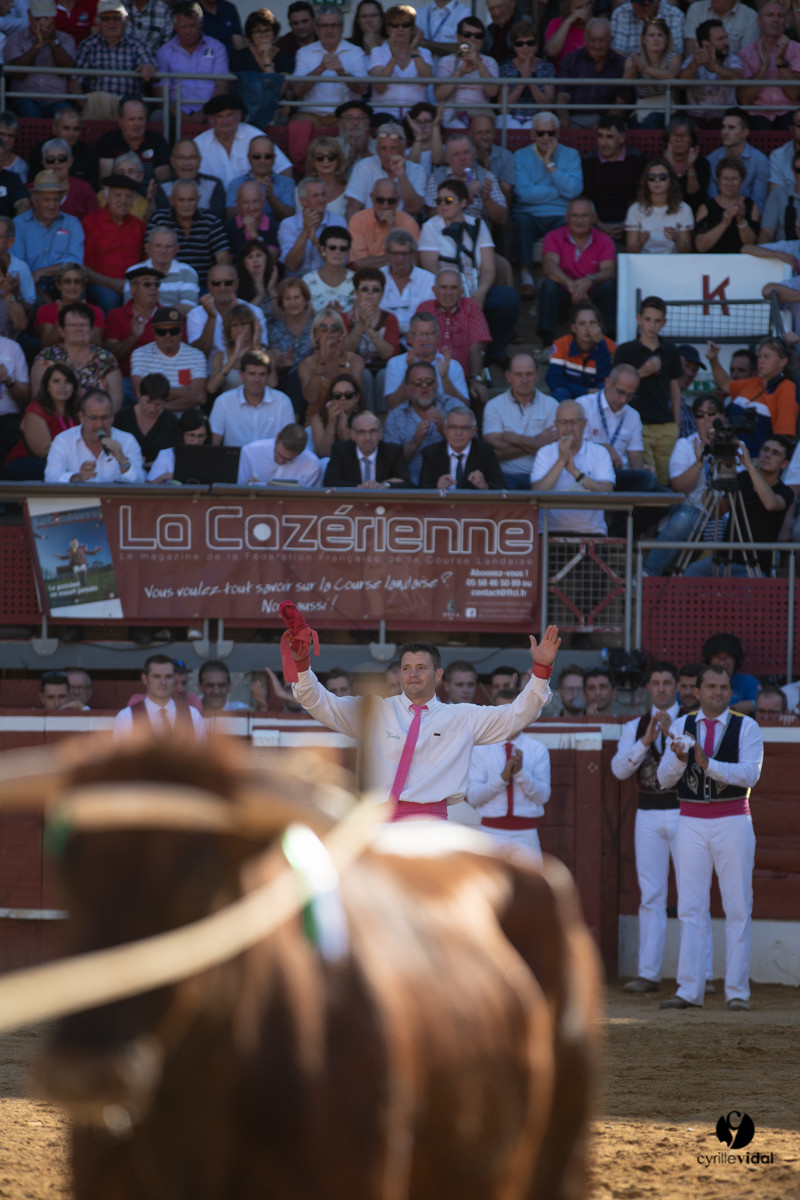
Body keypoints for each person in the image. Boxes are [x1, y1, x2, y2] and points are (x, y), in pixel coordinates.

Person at [289, 624, 561, 820]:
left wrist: (541, 672)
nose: (413, 674)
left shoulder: (462, 716)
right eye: (407, 668)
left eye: (421, 668)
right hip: (375, 818)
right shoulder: (374, 710)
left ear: (438, 674)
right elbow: (320, 702)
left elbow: (515, 716)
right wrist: (301, 665)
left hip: (430, 822)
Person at [657, 664, 762, 1011]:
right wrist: (678, 760)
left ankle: (737, 991)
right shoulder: (680, 725)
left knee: (738, 907)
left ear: (731, 692)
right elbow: (664, 779)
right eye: (711, 687)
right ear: (698, 691)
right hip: (690, 820)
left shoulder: (747, 726)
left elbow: (750, 774)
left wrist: (706, 763)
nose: (718, 692)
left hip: (733, 819)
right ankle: (690, 989)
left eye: (723, 688)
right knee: (690, 908)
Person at [612, 660, 715, 994]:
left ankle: (703, 973)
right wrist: (645, 740)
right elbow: (619, 770)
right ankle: (648, 973)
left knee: (693, 894)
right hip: (648, 814)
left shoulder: (692, 721)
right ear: (648, 687)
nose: (661, 689)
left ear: (678, 687)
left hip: (687, 813)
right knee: (651, 894)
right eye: (655, 683)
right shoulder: (635, 726)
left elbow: (704, 765)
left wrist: (672, 733)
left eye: (667, 683)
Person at [418, 178, 519, 368]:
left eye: (448, 200)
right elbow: (431, 268)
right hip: (447, 291)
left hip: (475, 286)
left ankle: (496, 351)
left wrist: (480, 293)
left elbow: (488, 268)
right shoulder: (430, 227)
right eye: (438, 201)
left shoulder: (478, 225)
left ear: (464, 202)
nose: (442, 205)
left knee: (508, 298)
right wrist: (456, 293)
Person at [641, 394, 727, 577]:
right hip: (693, 510)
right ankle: (647, 574)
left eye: (712, 413)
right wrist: (699, 462)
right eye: (700, 415)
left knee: (735, 524)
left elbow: (740, 489)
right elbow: (679, 486)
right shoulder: (685, 444)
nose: (706, 419)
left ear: (723, 416)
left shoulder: (735, 446)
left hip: (725, 511)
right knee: (683, 518)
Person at [613, 295, 682, 486]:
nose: (652, 325)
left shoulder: (671, 350)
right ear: (639, 319)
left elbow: (674, 387)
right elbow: (616, 387)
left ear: (664, 323)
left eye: (657, 321)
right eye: (648, 319)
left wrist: (676, 423)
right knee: (647, 481)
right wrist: (642, 371)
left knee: (666, 481)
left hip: (665, 424)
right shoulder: (625, 351)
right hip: (637, 423)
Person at [513, 112, 583, 300]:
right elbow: (523, 194)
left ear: (558, 133)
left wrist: (550, 165)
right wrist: (559, 189)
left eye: (550, 133)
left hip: (560, 214)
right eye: (541, 133)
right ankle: (526, 275)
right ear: (532, 134)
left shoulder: (571, 154)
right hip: (530, 214)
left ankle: (561, 275)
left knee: (573, 223)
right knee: (520, 221)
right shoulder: (520, 156)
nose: (546, 137)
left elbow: (574, 191)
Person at [577, 363, 665, 498]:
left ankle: (622, 510)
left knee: (663, 491)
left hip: (617, 474)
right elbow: (574, 447)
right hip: (588, 472)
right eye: (620, 392)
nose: (624, 400)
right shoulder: (584, 406)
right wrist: (603, 449)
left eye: (630, 396)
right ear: (607, 383)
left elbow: (636, 460)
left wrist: (644, 470)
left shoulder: (633, 415)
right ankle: (622, 510)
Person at [530, 398, 615, 536]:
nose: (569, 428)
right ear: (556, 425)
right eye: (563, 422)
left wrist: (575, 472)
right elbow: (537, 492)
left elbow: (607, 491)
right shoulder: (545, 453)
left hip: (591, 532)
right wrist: (561, 462)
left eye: (574, 422)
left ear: (584, 423)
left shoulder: (599, 452)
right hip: (548, 532)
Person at [539, 198, 617, 347]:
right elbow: (549, 266)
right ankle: (547, 344)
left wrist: (589, 280)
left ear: (593, 217)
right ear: (567, 217)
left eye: (584, 215)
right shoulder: (553, 237)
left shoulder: (604, 240)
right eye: (574, 215)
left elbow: (609, 271)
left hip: (592, 298)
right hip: (564, 296)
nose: (579, 220)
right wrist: (570, 283)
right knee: (549, 286)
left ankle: (608, 342)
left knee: (608, 287)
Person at [415, 268, 490, 407]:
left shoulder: (471, 307)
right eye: (443, 287)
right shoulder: (424, 308)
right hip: (428, 379)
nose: (448, 293)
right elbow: (416, 344)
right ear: (434, 290)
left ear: (461, 291)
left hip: (464, 379)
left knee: (478, 393)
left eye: (453, 288)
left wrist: (476, 379)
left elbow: (477, 346)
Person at [706, 336, 798, 450]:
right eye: (760, 356)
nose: (761, 361)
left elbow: (783, 437)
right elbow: (725, 384)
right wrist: (714, 360)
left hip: (758, 458)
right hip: (732, 453)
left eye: (767, 357)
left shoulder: (786, 388)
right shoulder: (753, 382)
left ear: (782, 361)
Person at [483, 353, 559, 490]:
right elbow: (493, 451)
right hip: (505, 476)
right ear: (508, 376)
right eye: (518, 374)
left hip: (542, 476)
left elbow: (552, 450)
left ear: (537, 375)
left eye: (529, 374)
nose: (524, 380)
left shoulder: (552, 405)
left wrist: (516, 439)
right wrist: (538, 441)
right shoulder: (494, 406)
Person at [31, 302, 123, 412]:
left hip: (97, 418)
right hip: (55, 419)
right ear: (62, 331)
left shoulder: (106, 358)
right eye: (72, 325)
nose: (79, 329)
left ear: (92, 330)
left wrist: (98, 418)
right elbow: (38, 398)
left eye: (84, 325)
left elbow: (116, 399)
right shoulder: (47, 357)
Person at [382, 360, 463, 484]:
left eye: (429, 382)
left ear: (437, 385)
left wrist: (445, 430)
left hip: (451, 482)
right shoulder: (396, 416)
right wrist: (415, 443)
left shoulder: (454, 407)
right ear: (408, 389)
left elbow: (473, 451)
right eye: (418, 383)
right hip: (410, 486)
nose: (424, 386)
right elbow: (389, 463)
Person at [44, 388, 144, 483]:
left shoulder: (127, 441)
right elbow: (50, 477)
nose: (99, 425)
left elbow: (141, 482)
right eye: (93, 418)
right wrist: (78, 477)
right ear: (81, 417)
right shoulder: (63, 440)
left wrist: (123, 461)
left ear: (112, 416)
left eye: (104, 418)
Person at [1, 362, 78, 481]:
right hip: (26, 465)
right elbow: (43, 452)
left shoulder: (77, 413)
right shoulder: (36, 410)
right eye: (56, 381)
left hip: (64, 464)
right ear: (47, 386)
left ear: (73, 387)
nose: (62, 386)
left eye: (67, 382)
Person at [72, 0, 155, 109]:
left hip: (130, 108)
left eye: (116, 18)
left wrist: (148, 68)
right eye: (105, 19)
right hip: (97, 107)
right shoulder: (88, 46)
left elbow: (149, 65)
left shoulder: (137, 45)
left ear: (125, 21)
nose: (111, 23)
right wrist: (86, 108)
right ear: (98, 23)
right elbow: (75, 82)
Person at [146, 180, 231, 285]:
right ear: (171, 200)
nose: (186, 205)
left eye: (191, 200)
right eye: (181, 200)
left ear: (198, 199)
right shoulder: (159, 220)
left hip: (203, 285)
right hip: (165, 284)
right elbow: (148, 254)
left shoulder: (211, 221)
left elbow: (222, 258)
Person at [13, 170, 84, 296]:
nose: (52, 205)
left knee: (77, 293)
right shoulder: (19, 224)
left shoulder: (72, 223)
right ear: (35, 201)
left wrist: (42, 272)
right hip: (30, 283)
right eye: (46, 200)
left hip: (65, 283)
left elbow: (75, 262)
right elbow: (17, 265)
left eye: (55, 200)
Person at [5, 0, 77, 119]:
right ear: (29, 16)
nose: (42, 23)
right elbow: (18, 73)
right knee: (30, 111)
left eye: (48, 18)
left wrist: (53, 40)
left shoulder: (66, 39)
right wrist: (38, 45)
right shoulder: (16, 38)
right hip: (26, 98)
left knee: (67, 116)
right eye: (38, 18)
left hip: (57, 100)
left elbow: (68, 70)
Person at [293, 7, 368, 121]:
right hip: (311, 114)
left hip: (344, 115)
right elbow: (297, 91)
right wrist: (320, 69)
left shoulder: (356, 52)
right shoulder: (304, 53)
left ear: (342, 28)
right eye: (324, 26)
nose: (329, 30)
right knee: (298, 122)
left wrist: (342, 72)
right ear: (316, 28)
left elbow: (363, 89)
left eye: (334, 25)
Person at [383, 311, 468, 410]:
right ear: (410, 336)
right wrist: (409, 374)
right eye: (419, 333)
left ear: (438, 336)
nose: (425, 338)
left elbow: (464, 407)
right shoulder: (395, 364)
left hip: (444, 418)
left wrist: (445, 379)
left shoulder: (452, 365)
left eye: (430, 333)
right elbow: (393, 405)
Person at [556, 18, 630, 130]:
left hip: (610, 119)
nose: (597, 45)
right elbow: (563, 95)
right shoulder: (571, 60)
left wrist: (606, 122)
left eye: (602, 40)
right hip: (576, 119)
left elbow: (622, 100)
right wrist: (564, 118)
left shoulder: (620, 63)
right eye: (593, 40)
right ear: (585, 38)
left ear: (611, 40)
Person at [156, 1, 228, 117]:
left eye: (192, 26)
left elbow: (222, 86)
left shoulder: (217, 48)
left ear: (201, 24)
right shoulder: (164, 51)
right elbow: (160, 90)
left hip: (212, 112)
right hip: (174, 113)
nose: (188, 31)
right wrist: (179, 115)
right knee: (157, 117)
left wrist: (203, 114)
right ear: (175, 27)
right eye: (183, 26)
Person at [423, 133, 508, 229]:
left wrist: (487, 200)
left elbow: (502, 218)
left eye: (466, 152)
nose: (462, 158)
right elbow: (432, 215)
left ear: (474, 153)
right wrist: (465, 196)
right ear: (447, 159)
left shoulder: (486, 177)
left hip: (478, 233)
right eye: (456, 154)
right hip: (445, 232)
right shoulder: (438, 177)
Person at [581, 117, 645, 245]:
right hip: (597, 223)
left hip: (631, 221)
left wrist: (627, 223)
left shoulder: (636, 158)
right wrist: (599, 224)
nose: (603, 143)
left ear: (621, 138)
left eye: (609, 137)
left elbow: (641, 195)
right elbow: (587, 198)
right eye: (600, 136)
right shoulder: (588, 160)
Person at [737, 0, 800, 130]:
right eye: (770, 15)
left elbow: (794, 94)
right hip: (757, 115)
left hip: (789, 112)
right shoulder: (745, 54)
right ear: (759, 22)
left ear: (786, 21)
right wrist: (763, 68)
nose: (775, 20)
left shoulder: (797, 49)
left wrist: (781, 62)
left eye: (780, 16)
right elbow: (744, 100)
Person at [130, 308, 208, 412]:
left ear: (182, 330)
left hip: (184, 418)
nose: (168, 336)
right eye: (161, 332)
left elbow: (199, 397)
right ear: (153, 331)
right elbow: (141, 394)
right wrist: (186, 391)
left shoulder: (197, 356)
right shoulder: (140, 354)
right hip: (153, 418)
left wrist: (158, 406)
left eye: (174, 331)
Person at [192, 95, 276, 191]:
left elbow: (284, 169)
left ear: (239, 116)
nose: (225, 121)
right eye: (219, 117)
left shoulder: (255, 135)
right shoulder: (198, 144)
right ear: (211, 120)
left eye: (229, 115)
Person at [114, 653, 207, 737]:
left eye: (168, 677)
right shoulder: (126, 717)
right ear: (145, 679)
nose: (163, 682)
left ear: (174, 679)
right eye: (157, 676)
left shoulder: (193, 716)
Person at [345, 123, 426, 219]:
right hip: (370, 225)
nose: (388, 154)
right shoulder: (364, 166)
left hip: (403, 226)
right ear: (377, 150)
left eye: (393, 148)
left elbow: (415, 208)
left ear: (404, 148)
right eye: (383, 148)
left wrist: (401, 174)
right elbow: (353, 206)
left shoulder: (418, 171)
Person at [368, 4, 434, 121]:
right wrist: (393, 58)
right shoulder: (377, 52)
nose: (400, 29)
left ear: (412, 28)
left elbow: (427, 81)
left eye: (406, 25)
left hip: (416, 115)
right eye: (394, 25)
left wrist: (414, 51)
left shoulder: (424, 53)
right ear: (387, 29)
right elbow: (379, 87)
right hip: (384, 113)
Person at [418, 403, 505, 489]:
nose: (458, 433)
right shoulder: (431, 453)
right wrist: (436, 488)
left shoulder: (486, 452)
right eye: (453, 427)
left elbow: (501, 489)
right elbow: (422, 491)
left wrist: (485, 487)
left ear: (474, 431)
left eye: (465, 428)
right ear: (445, 429)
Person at [298, 308, 365, 416]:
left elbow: (353, 398)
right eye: (323, 328)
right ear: (316, 334)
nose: (329, 332)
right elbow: (311, 398)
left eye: (335, 328)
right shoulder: (305, 365)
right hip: (317, 419)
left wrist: (341, 360)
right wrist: (321, 361)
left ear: (341, 333)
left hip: (348, 418)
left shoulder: (356, 361)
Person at [434, 15, 498, 126]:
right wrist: (460, 71)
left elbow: (492, 92)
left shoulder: (490, 62)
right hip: (454, 113)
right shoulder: (446, 61)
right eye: (467, 35)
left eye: (478, 36)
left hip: (481, 114)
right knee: (458, 126)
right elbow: (439, 94)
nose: (472, 39)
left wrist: (478, 63)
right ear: (459, 38)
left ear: (482, 41)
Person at [278, 178, 348, 278]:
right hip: (297, 283)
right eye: (315, 196)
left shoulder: (338, 222)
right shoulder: (288, 224)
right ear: (303, 201)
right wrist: (305, 232)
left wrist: (315, 241)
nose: (321, 200)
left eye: (323, 194)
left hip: (327, 281)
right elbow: (291, 265)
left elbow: (339, 263)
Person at [680, 18, 743, 128]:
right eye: (720, 39)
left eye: (726, 38)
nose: (727, 42)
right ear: (706, 44)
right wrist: (694, 65)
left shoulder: (732, 58)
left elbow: (737, 78)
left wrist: (715, 67)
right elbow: (681, 84)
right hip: (696, 118)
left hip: (725, 119)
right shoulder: (692, 60)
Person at [323, 408, 410, 487]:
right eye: (361, 432)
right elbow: (329, 482)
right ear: (353, 434)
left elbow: (408, 484)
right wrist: (361, 487)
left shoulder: (393, 452)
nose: (367, 438)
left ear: (380, 433)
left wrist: (384, 485)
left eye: (373, 431)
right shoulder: (341, 451)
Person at [95, 95, 170, 187]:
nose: (137, 124)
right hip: (118, 193)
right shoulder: (107, 141)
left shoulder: (157, 141)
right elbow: (105, 181)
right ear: (120, 120)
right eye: (131, 119)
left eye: (140, 119)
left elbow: (163, 180)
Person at [547, 301, 615, 402]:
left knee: (605, 390)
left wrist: (600, 346)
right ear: (574, 328)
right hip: (570, 396)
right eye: (582, 324)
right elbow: (553, 379)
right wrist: (584, 391)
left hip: (595, 396)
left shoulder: (610, 346)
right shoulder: (561, 344)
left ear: (599, 326)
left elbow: (606, 378)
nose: (587, 328)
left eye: (592, 323)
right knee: (560, 392)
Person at [624, 158, 694, 254]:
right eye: (652, 177)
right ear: (646, 181)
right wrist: (639, 243)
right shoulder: (635, 209)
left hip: (674, 261)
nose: (657, 180)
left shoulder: (684, 209)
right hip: (644, 261)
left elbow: (687, 252)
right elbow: (630, 252)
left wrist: (677, 240)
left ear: (671, 180)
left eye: (662, 177)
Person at [125, 227, 200, 316]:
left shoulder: (187, 272)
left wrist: (158, 316)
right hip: (141, 322)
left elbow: (189, 307)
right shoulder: (134, 272)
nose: (163, 251)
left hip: (175, 323)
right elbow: (129, 306)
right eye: (158, 246)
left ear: (176, 249)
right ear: (148, 248)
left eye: (168, 246)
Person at [623, 16, 681, 130]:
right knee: (652, 120)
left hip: (669, 111)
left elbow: (672, 74)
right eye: (651, 35)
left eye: (660, 35)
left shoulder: (673, 56)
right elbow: (626, 81)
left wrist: (644, 69)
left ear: (666, 39)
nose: (656, 39)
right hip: (642, 113)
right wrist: (635, 67)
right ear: (644, 39)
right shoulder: (635, 58)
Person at [104, 264, 162, 378]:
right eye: (147, 284)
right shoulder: (116, 315)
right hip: (127, 379)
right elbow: (111, 358)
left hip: (163, 379)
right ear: (133, 289)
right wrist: (133, 337)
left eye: (157, 284)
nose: (153, 288)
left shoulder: (167, 315)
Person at [706, 107, 769, 210]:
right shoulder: (711, 160)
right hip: (717, 215)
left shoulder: (760, 161)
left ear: (745, 133)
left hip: (748, 215)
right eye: (723, 127)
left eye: (731, 128)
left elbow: (758, 202)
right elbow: (712, 200)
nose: (725, 132)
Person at [349, 179, 420, 270]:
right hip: (367, 276)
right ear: (372, 198)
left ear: (398, 201)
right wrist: (398, 258)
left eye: (391, 201)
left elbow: (413, 263)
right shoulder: (359, 219)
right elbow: (358, 264)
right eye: (380, 200)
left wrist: (393, 231)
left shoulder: (408, 222)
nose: (385, 206)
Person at [225, 135, 295, 227]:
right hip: (243, 231)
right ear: (249, 158)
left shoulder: (287, 183)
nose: (262, 160)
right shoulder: (236, 184)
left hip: (277, 233)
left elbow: (289, 217)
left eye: (268, 156)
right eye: (257, 156)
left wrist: (271, 197)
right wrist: (250, 196)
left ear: (274, 158)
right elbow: (229, 216)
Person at [497, 21, 556, 130]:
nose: (525, 47)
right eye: (519, 44)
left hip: (539, 117)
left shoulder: (547, 67)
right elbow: (504, 108)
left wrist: (531, 82)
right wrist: (522, 82)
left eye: (530, 43)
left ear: (537, 44)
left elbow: (548, 107)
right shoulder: (505, 68)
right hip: (512, 117)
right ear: (513, 46)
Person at [694, 156, 759, 252]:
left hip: (742, 260)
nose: (730, 183)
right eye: (725, 178)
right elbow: (700, 246)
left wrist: (741, 221)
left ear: (742, 181)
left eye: (734, 179)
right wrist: (724, 223)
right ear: (718, 181)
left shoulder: (752, 206)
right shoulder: (705, 207)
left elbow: (753, 244)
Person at [113, 372, 176, 469]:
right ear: (139, 395)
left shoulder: (171, 421)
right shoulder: (122, 417)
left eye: (158, 404)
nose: (152, 409)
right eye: (148, 402)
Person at [379, 228, 436, 334]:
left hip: (420, 338)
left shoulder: (429, 280)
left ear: (413, 254)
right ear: (387, 254)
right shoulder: (376, 278)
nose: (400, 258)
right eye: (395, 254)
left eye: (405, 253)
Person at [237, 421, 322, 486]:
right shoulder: (250, 452)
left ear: (301, 452)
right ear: (277, 437)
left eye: (288, 460)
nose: (280, 462)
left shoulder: (312, 464)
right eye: (278, 455)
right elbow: (239, 488)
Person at [305, 371, 363, 459]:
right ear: (331, 398)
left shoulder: (365, 419)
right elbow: (324, 454)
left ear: (357, 398)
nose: (343, 398)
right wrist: (331, 423)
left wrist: (344, 430)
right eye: (337, 395)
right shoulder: (318, 419)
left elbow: (362, 452)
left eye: (348, 395)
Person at [147, 406, 211, 483]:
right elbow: (148, 485)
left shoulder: (213, 458)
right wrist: (165, 476)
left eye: (201, 436)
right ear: (182, 434)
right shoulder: (166, 455)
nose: (196, 441)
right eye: (191, 435)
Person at [702, 632, 761, 715]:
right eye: (717, 657)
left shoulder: (748, 682)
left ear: (736, 660)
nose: (722, 663)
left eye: (727, 657)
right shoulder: (699, 681)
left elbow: (769, 703)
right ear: (709, 660)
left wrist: (753, 705)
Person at [662, 117, 710, 216]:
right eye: (675, 135)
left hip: (693, 214)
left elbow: (695, 197)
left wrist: (691, 167)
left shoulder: (702, 164)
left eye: (684, 136)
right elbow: (662, 194)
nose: (679, 140)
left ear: (692, 140)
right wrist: (670, 167)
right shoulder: (658, 164)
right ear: (668, 139)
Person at [303, 226, 355, 314]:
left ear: (347, 252)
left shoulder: (356, 280)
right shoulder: (308, 281)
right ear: (323, 249)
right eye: (332, 247)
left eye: (343, 248)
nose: (337, 252)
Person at [610, 0, 684, 59]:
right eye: (636, 2)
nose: (639, 7)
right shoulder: (621, 13)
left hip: (663, 70)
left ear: (658, 1)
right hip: (629, 69)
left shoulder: (675, 15)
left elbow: (675, 55)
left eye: (644, 4)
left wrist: (646, 69)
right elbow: (618, 54)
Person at [684, 0, 758, 57]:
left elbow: (746, 57)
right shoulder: (696, 8)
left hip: (733, 69)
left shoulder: (750, 16)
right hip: (699, 68)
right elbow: (690, 48)